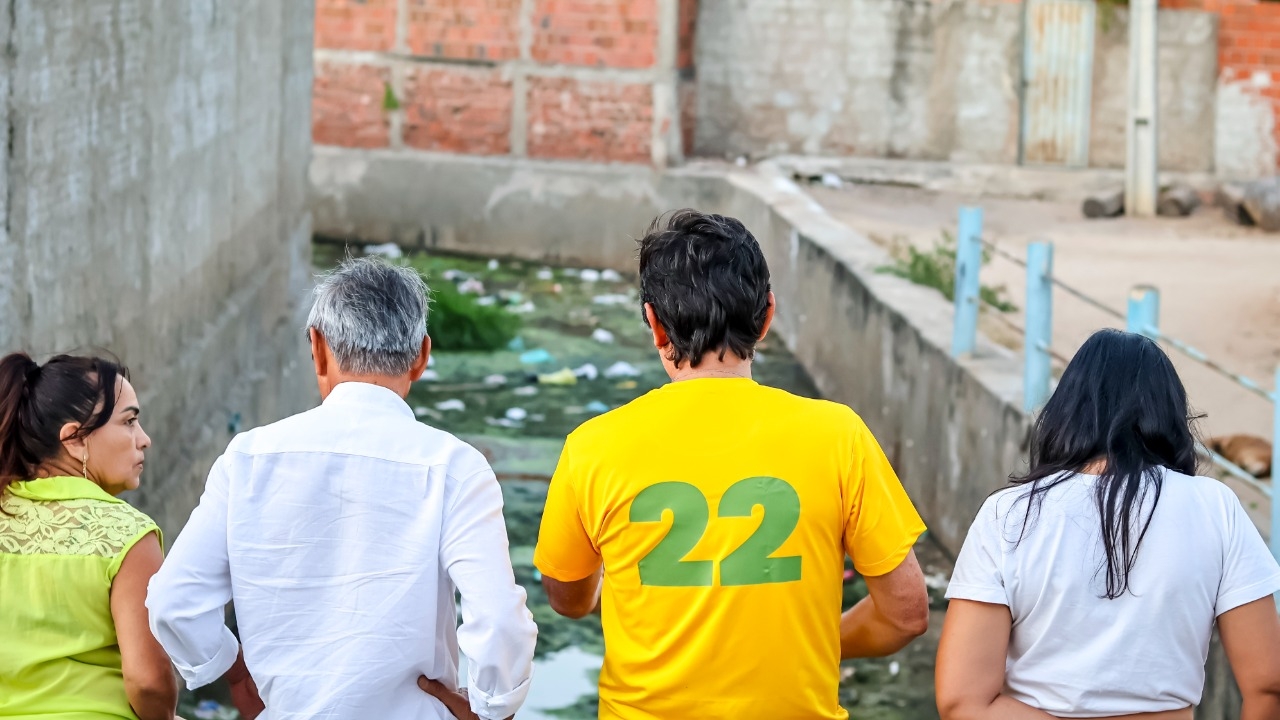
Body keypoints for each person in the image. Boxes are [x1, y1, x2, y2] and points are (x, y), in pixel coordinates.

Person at [533, 209, 931, 719]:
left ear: (655, 325)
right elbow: (906, 615)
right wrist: (808, 640)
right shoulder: (839, 434)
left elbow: (567, 597)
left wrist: (602, 588)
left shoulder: (593, 445)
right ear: (767, 316)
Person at [146, 256, 537, 720]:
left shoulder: (248, 459)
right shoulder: (454, 467)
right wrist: (496, 709)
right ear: (422, 356)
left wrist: (233, 672)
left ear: (317, 346)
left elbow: (173, 601)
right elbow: (498, 622)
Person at [937, 328, 1280, 720]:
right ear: (1169, 415)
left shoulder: (1007, 514)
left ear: (1065, 411)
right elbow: (1268, 684)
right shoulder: (1216, 507)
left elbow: (962, 701)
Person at [0, 352, 178, 720]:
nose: (144, 440)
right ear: (75, 440)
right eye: (129, 422)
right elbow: (148, 682)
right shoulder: (127, 535)